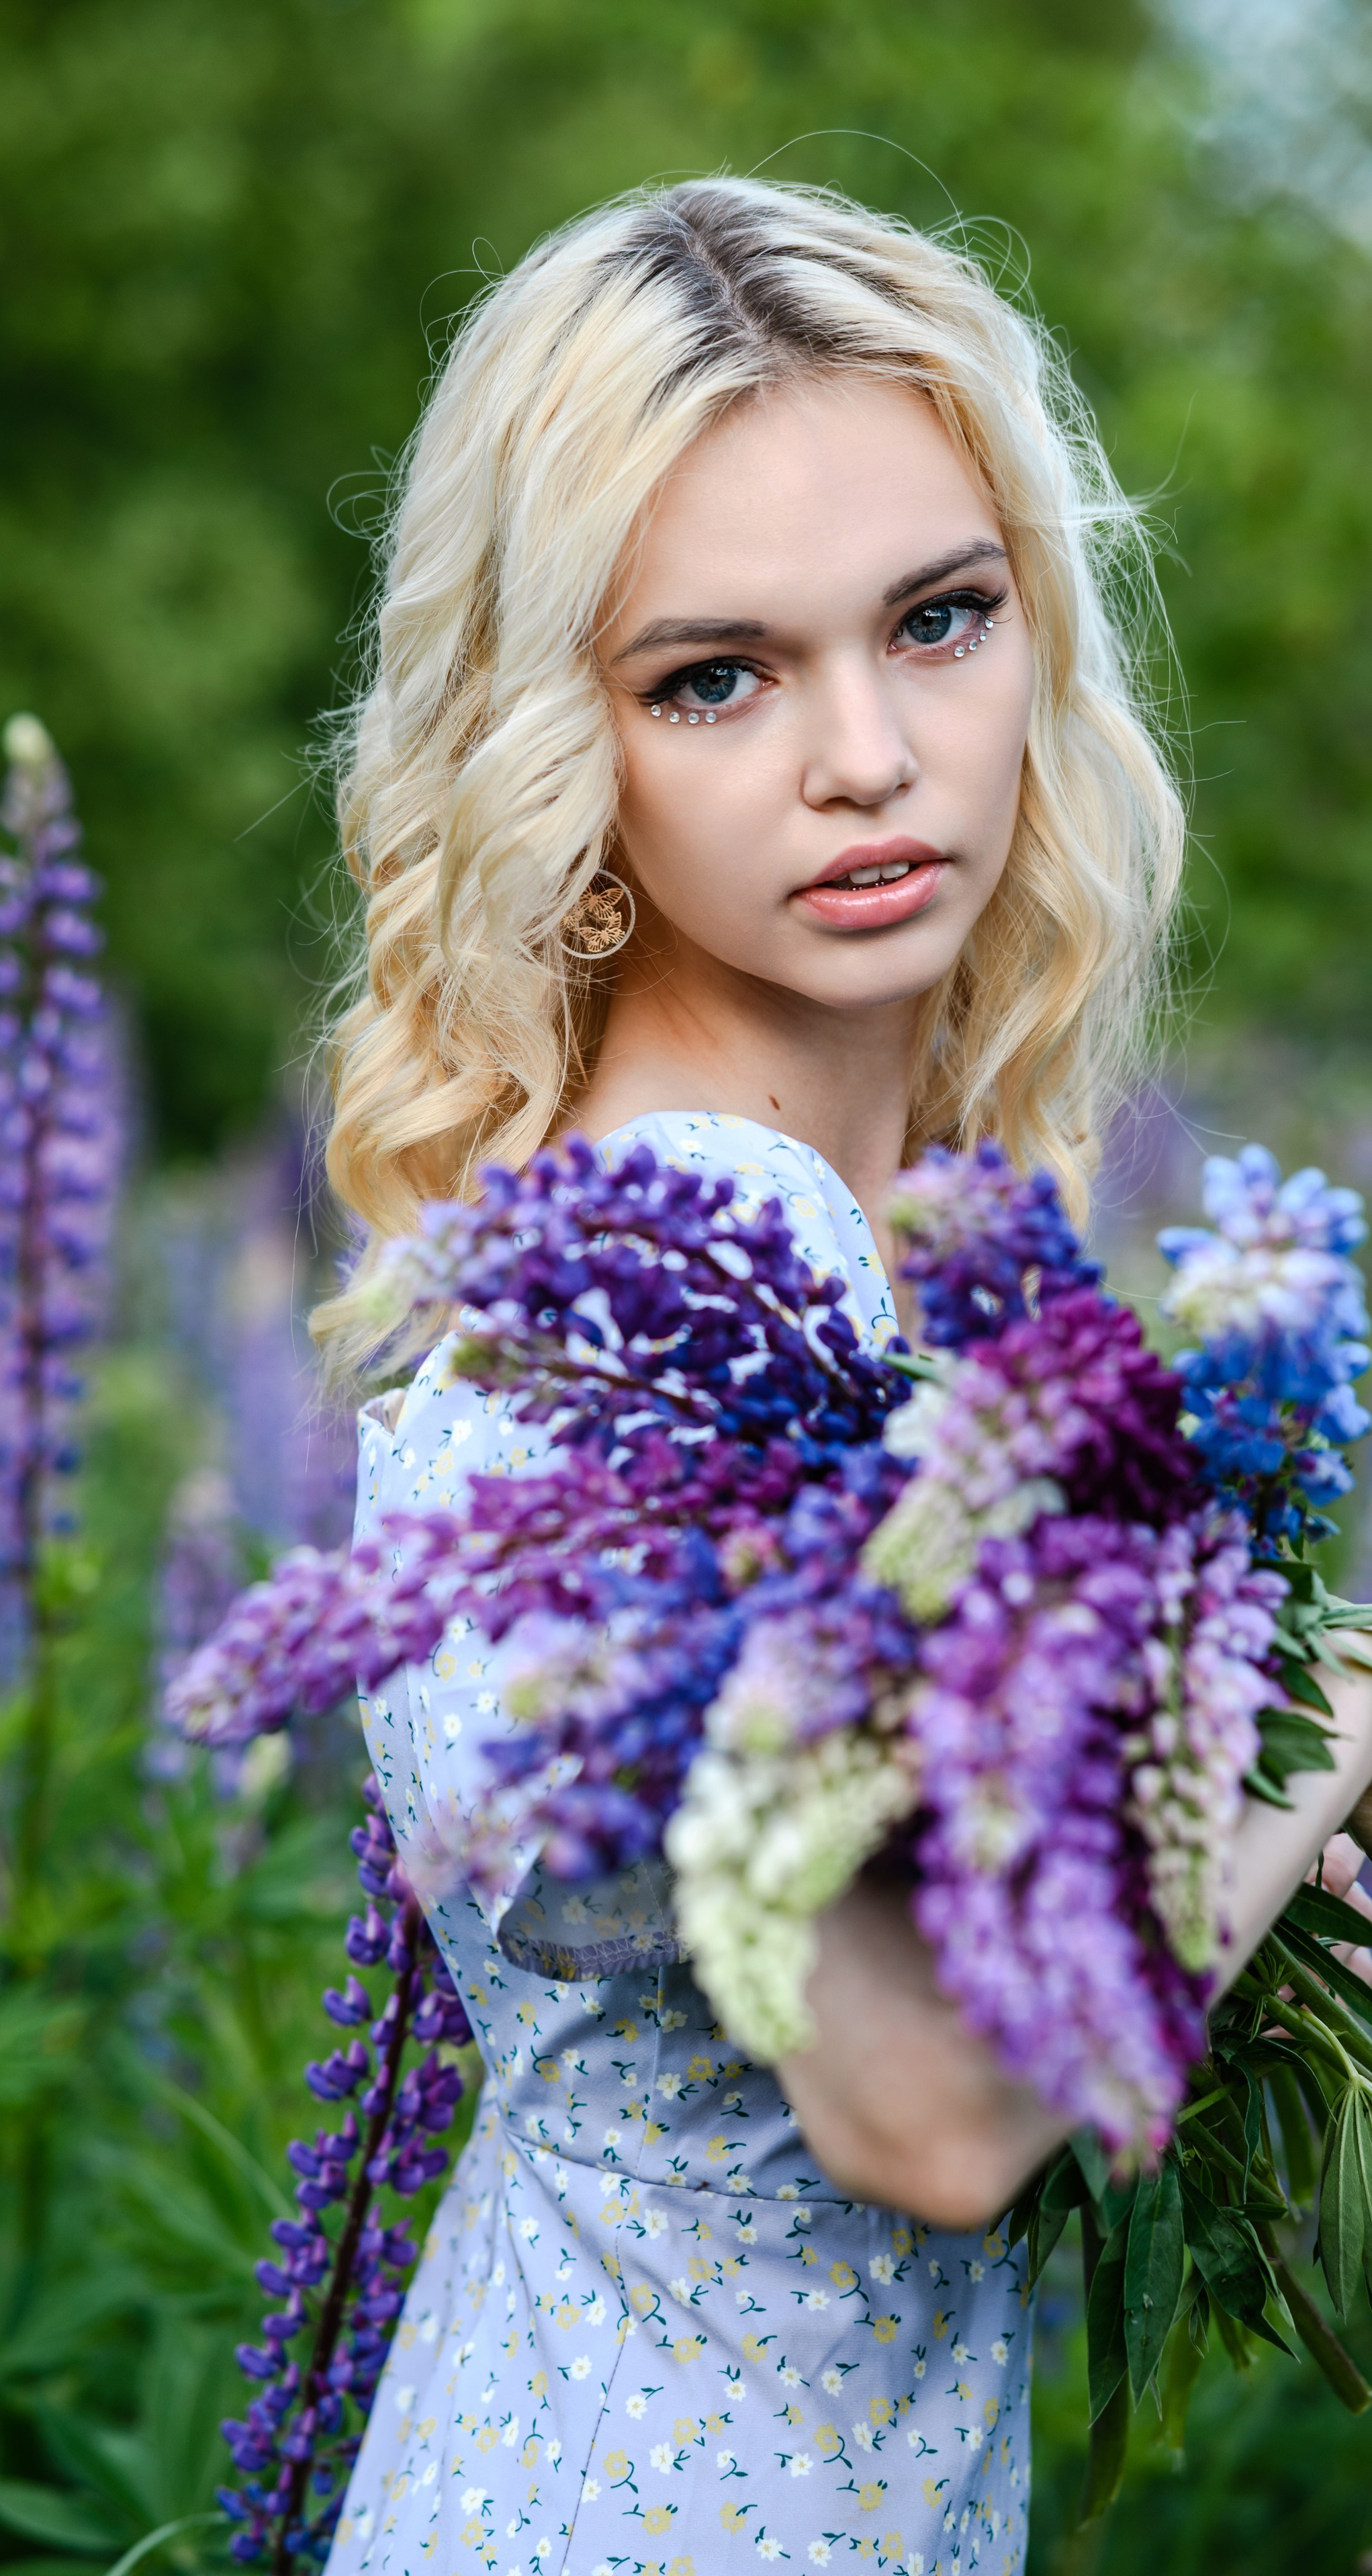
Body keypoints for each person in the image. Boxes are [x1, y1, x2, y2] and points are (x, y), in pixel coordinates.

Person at [308, 178, 1372, 2576]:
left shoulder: (689, 1220)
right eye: (718, 675)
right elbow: (934, 2099)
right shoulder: (722, 1253)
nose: (872, 752)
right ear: (556, 737)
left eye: (939, 618)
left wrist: (1246, 1857)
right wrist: (1323, 1699)